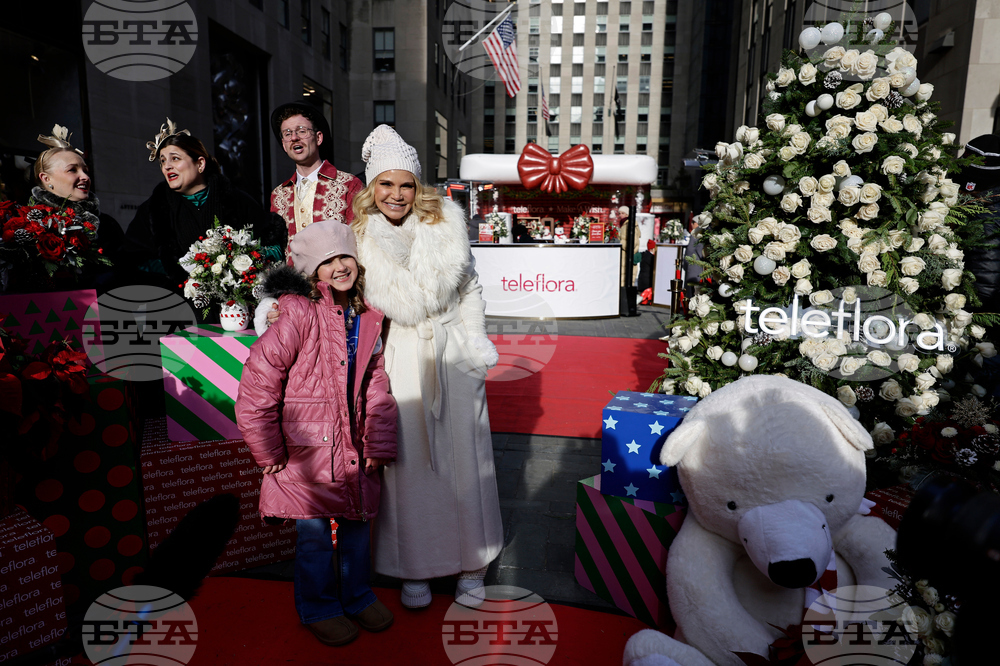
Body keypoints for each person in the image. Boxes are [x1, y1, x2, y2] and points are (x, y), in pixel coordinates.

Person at [352, 125, 503, 609]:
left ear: (419, 187)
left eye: (406, 184)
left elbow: (471, 290)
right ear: (372, 189)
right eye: (386, 184)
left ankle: (472, 564)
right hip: (397, 360)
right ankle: (411, 566)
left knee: (467, 463)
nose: (397, 194)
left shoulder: (447, 225)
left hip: (453, 355)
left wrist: (476, 346)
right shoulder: (357, 239)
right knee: (408, 468)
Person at [235, 220, 397, 647]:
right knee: (314, 539)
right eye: (327, 261)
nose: (339, 266)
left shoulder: (367, 318)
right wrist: (266, 448)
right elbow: (258, 383)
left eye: (345, 256)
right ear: (311, 272)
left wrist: (378, 440)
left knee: (358, 529)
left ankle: (358, 595)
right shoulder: (296, 314)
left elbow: (376, 384)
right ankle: (320, 606)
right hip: (304, 452)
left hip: (353, 445)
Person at [121, 119, 281, 293]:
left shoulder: (237, 201)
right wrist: (178, 272)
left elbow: (271, 246)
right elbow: (133, 259)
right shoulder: (153, 210)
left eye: (175, 158)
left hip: (234, 305)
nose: (167, 166)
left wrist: (240, 267)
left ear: (200, 164)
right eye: (162, 161)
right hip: (177, 306)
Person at [30, 124, 125, 282]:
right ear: (46, 179)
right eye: (72, 170)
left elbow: (125, 274)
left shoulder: (107, 225)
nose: (85, 177)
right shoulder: (27, 225)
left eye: (85, 171)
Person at [269, 101, 364, 251]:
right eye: (288, 134)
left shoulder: (349, 184)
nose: (294, 138)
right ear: (284, 145)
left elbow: (361, 242)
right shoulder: (278, 194)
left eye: (301, 131)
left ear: (318, 138)